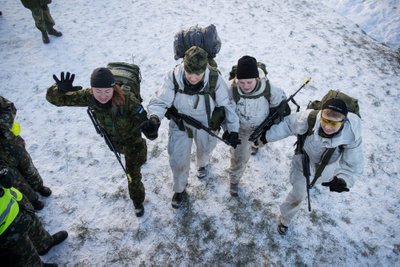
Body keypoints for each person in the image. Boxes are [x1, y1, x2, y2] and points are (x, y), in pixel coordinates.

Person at [46, 68, 154, 217]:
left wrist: (150, 128)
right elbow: (55, 100)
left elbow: (146, 124)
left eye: (107, 91)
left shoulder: (127, 100)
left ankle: (137, 201)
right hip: (114, 142)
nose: (103, 96)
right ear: (92, 89)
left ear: (113, 88)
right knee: (135, 163)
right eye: (98, 91)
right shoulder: (89, 96)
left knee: (133, 175)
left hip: (132, 144)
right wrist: (59, 90)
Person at [144, 46, 241, 209]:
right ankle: (179, 189)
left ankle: (202, 164)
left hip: (206, 124)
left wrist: (232, 130)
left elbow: (227, 106)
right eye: (189, 73)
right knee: (178, 158)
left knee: (205, 149)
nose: (193, 78)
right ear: (184, 67)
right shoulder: (173, 77)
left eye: (198, 74)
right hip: (180, 123)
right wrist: (154, 119)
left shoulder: (215, 79)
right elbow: (160, 101)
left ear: (204, 69)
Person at [258, 97, 363, 235]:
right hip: (304, 162)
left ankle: (314, 184)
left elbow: (352, 164)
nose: (328, 127)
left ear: (343, 121)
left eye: (334, 123)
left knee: (317, 182)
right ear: (321, 115)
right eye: (325, 120)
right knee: (298, 194)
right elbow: (288, 125)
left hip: (329, 167)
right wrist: (266, 137)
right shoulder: (309, 118)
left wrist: (343, 180)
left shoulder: (352, 133)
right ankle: (285, 220)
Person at [227, 56, 290, 197]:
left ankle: (255, 146)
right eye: (241, 82)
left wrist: (273, 119)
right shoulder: (231, 88)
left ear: (257, 78)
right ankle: (235, 180)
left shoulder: (269, 88)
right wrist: (230, 130)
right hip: (241, 129)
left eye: (249, 82)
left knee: (259, 143)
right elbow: (226, 108)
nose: (245, 86)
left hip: (261, 127)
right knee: (239, 157)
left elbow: (279, 102)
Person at [0, 167, 68, 266]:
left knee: (34, 226)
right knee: (24, 253)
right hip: (6, 228)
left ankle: (45, 244)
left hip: (16, 204)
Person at [0, 95, 52, 210]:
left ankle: (39, 186)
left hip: (12, 142)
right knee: (15, 179)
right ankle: (33, 199)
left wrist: (2, 126)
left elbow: (9, 107)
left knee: (27, 166)